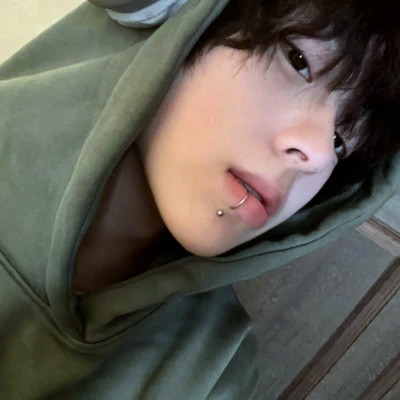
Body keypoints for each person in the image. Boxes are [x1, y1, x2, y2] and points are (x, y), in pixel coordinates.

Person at [0, 0, 398, 399]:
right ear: (190, 17)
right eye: (298, 62)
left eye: (340, 142)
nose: (319, 153)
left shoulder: (214, 371)